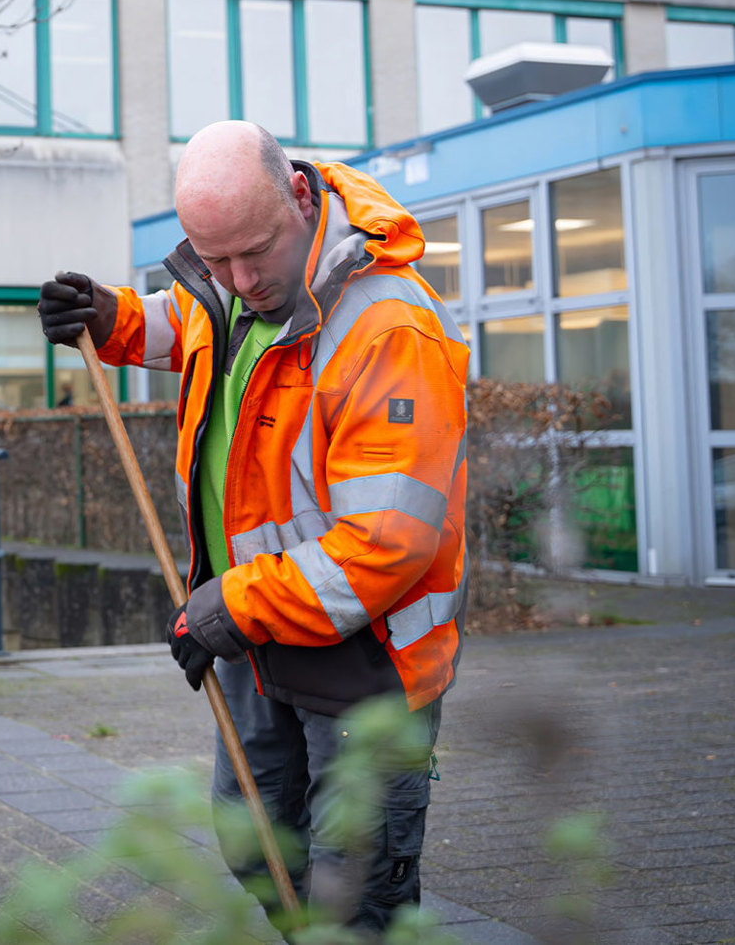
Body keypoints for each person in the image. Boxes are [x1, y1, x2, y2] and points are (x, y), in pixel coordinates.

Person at [37, 121, 468, 935]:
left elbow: (386, 543)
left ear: (299, 197)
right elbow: (188, 324)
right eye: (215, 257)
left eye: (254, 253)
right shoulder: (235, 285)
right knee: (258, 847)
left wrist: (222, 610)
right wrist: (106, 316)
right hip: (258, 640)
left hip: (364, 668)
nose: (239, 280)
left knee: (356, 896)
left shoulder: (387, 329)